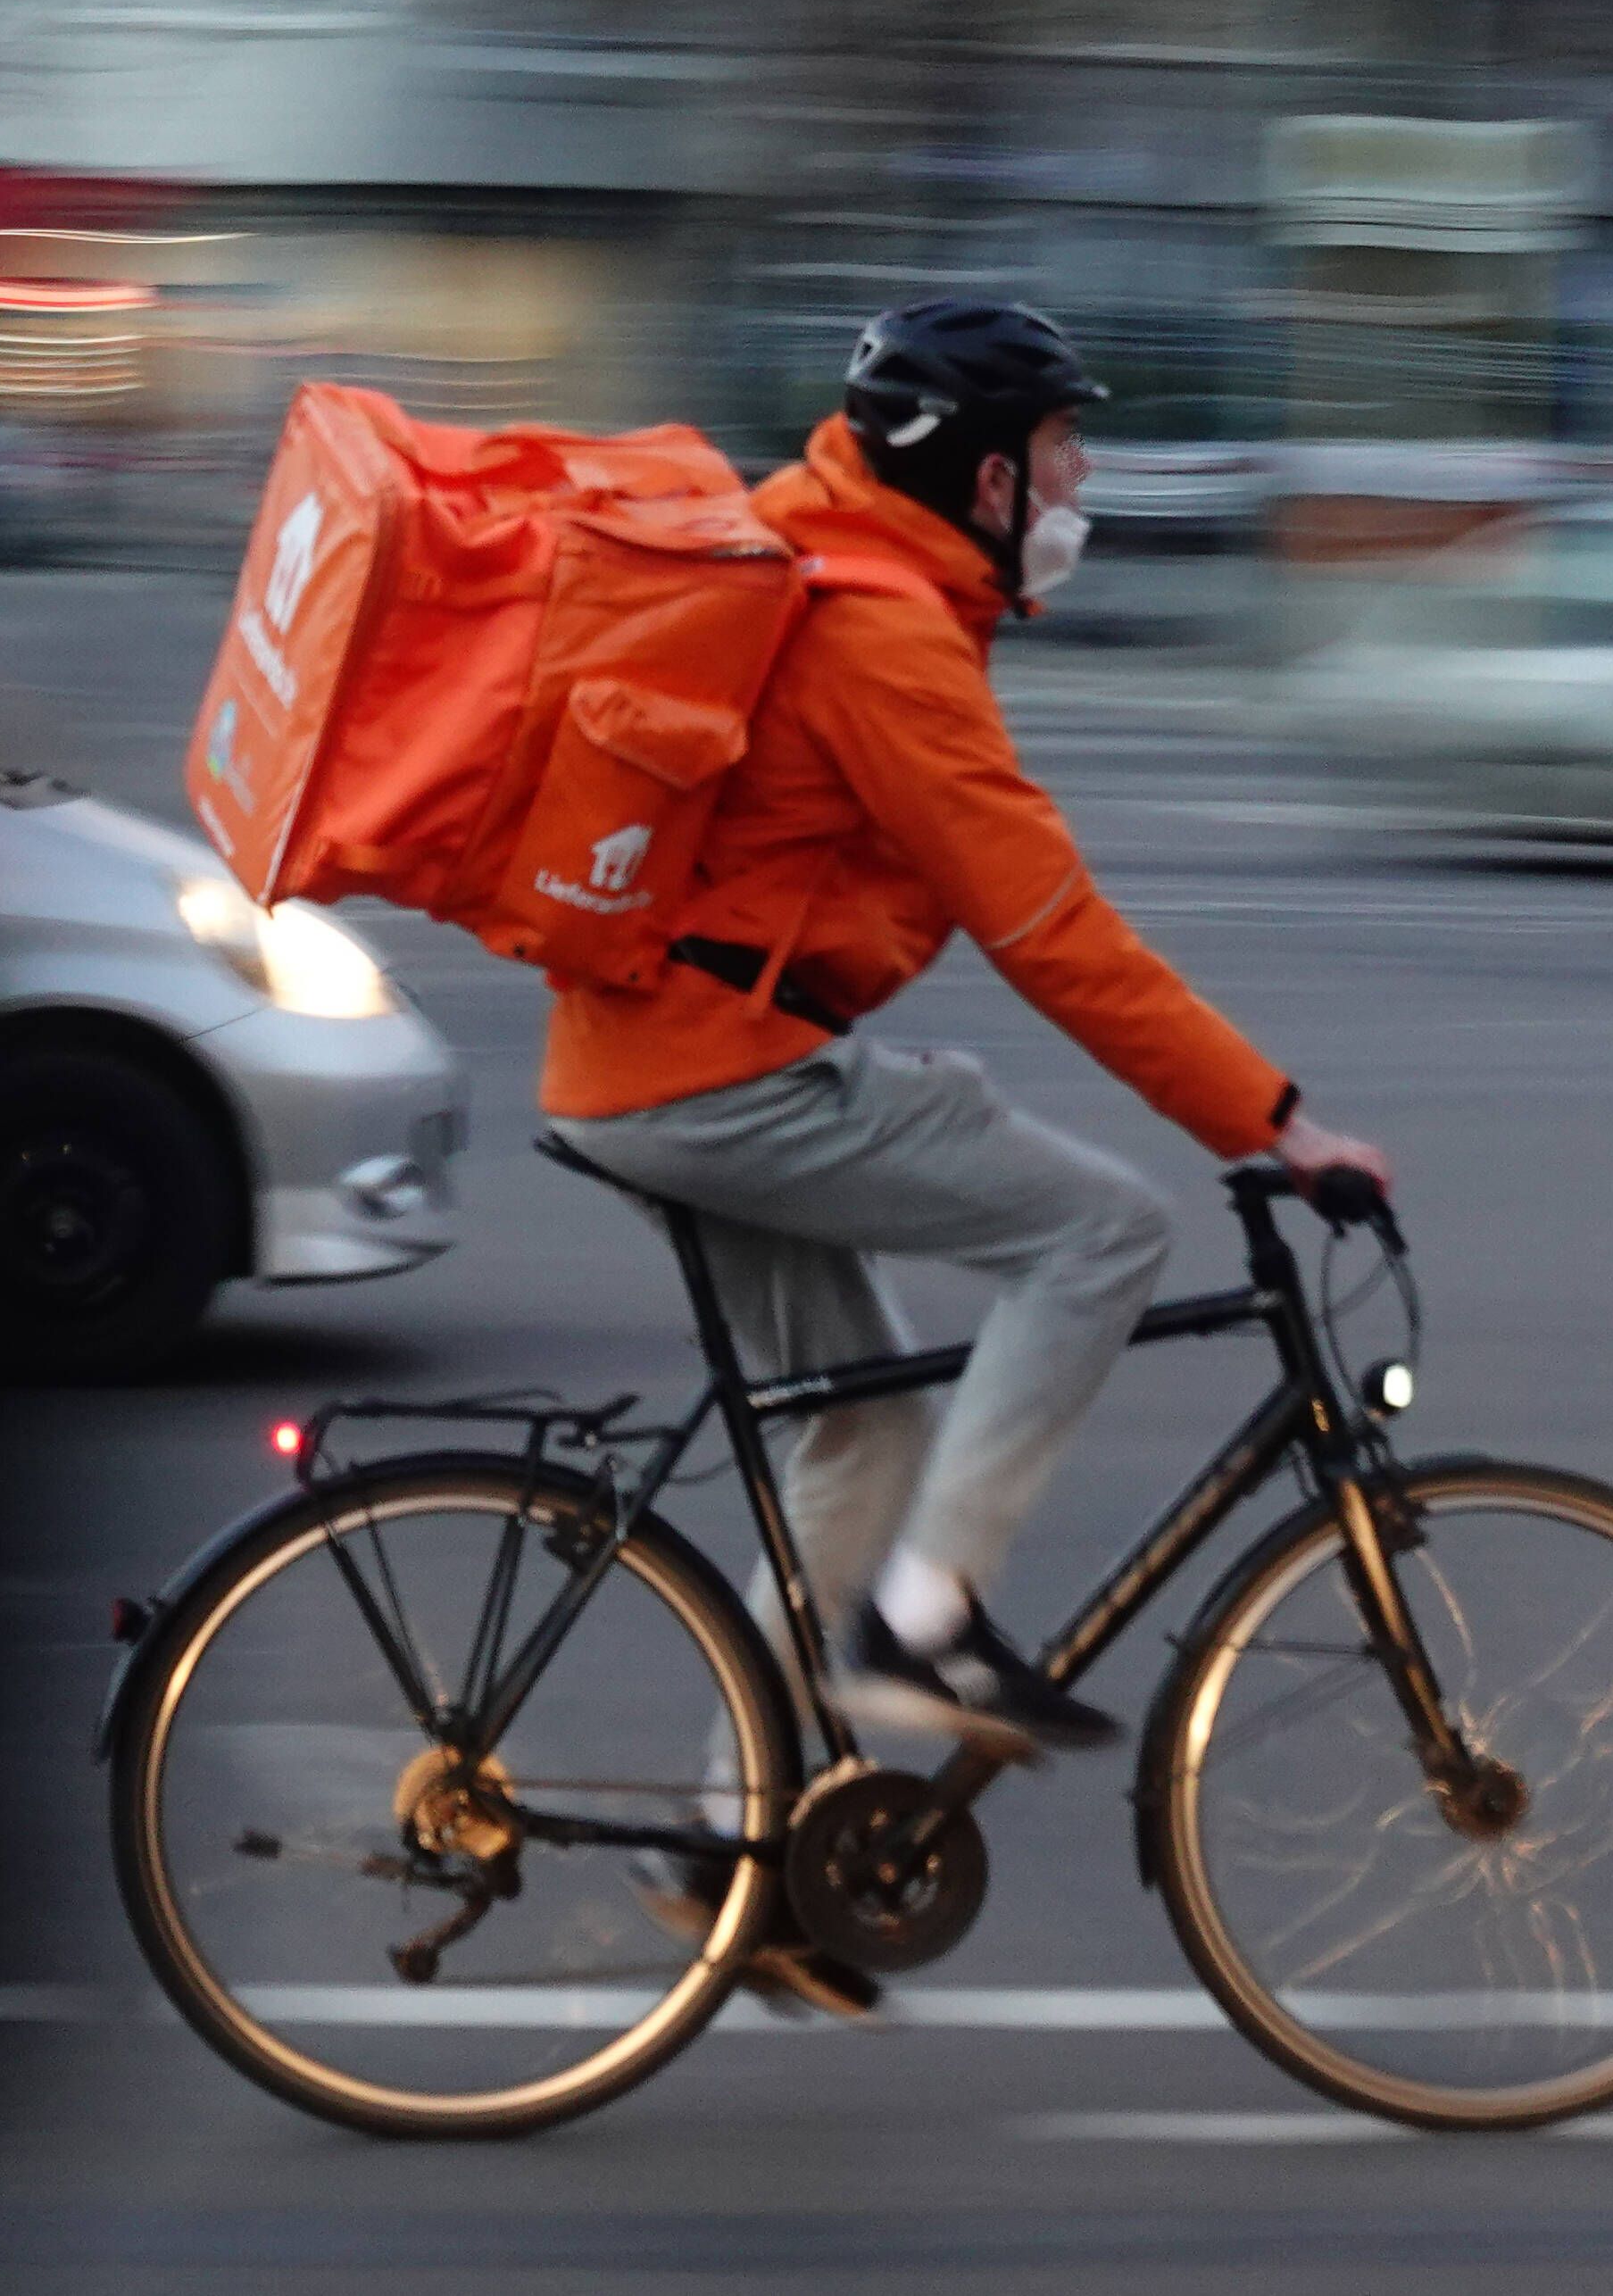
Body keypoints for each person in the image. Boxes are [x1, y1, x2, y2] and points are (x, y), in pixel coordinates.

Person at [547, 300, 1393, 1776]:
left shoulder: (830, 552)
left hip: (649, 1060)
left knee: (861, 1434)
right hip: (719, 1075)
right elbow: (1053, 934)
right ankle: (928, 1620)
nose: (1080, 481)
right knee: (1104, 1234)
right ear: (988, 480)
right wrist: (1276, 1125)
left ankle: (737, 1850)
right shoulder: (881, 638)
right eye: (1064, 447)